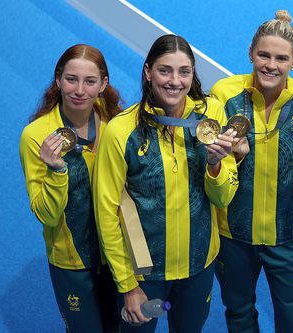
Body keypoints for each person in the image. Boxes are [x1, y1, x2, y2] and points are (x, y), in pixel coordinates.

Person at [93, 34, 239, 333]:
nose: (175, 81)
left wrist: (214, 164)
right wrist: (127, 285)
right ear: (148, 72)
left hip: (198, 263)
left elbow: (223, 197)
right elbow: (106, 212)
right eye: (165, 70)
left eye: (184, 71)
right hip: (145, 272)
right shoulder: (121, 130)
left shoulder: (211, 115)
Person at [210, 10, 293, 333]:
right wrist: (233, 158)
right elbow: (209, 156)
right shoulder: (224, 94)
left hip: (290, 235)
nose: (270, 65)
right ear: (251, 53)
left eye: (281, 58)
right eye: (263, 55)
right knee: (238, 313)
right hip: (233, 232)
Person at [19, 44, 122, 333]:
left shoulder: (116, 123)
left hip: (117, 255)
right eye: (71, 79)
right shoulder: (36, 136)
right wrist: (56, 171)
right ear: (57, 80)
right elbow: (47, 215)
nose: (79, 90)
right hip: (71, 262)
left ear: (103, 84)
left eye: (90, 81)